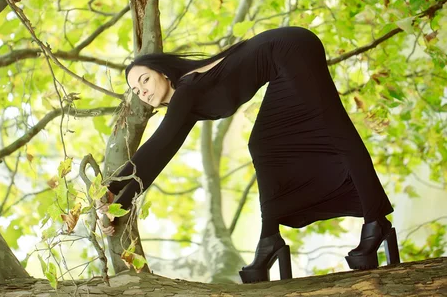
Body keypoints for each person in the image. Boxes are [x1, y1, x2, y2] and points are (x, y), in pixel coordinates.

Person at [105, 26, 400, 283]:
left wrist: (111, 189)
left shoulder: (187, 90)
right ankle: (269, 240)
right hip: (285, 60)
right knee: (263, 144)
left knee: (335, 131)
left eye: (143, 80)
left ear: (163, 72)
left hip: (292, 48)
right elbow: (162, 153)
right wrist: (120, 204)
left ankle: (375, 222)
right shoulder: (186, 100)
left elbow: (157, 145)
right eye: (134, 89)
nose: (141, 91)